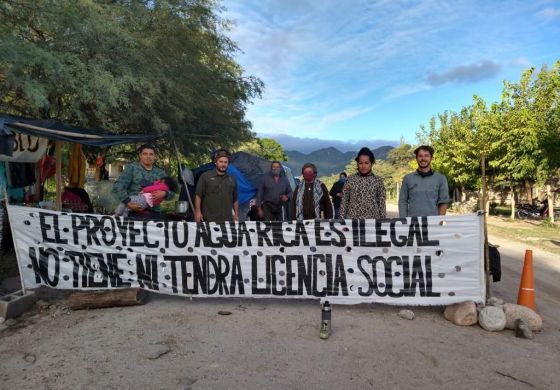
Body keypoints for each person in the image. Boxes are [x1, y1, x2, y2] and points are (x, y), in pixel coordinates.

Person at [112, 143, 175, 219]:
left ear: (154, 156)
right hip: (132, 211)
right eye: (145, 154)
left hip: (154, 213)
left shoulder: (161, 173)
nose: (148, 156)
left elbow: (173, 192)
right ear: (140, 156)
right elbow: (118, 186)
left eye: (151, 154)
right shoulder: (132, 168)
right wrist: (128, 202)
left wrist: (165, 193)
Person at [398, 145, 449, 217]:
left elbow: (443, 202)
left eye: (426, 156)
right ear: (416, 158)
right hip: (413, 223)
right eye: (420, 156)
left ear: (431, 158)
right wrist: (404, 220)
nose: (423, 158)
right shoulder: (407, 178)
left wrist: (439, 221)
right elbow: (403, 201)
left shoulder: (441, 179)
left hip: (433, 223)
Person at [339, 147, 386, 219]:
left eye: (366, 163)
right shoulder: (350, 179)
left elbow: (381, 204)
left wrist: (382, 222)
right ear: (357, 163)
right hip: (353, 223)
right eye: (360, 163)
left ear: (371, 163)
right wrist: (341, 221)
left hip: (372, 223)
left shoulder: (378, 180)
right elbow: (344, 202)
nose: (363, 166)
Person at [195, 148, 239, 222]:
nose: (223, 164)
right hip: (209, 219)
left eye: (226, 162)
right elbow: (198, 196)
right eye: (221, 161)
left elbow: (235, 199)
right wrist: (198, 212)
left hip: (227, 220)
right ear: (216, 162)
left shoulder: (232, 179)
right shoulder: (205, 176)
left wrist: (236, 214)